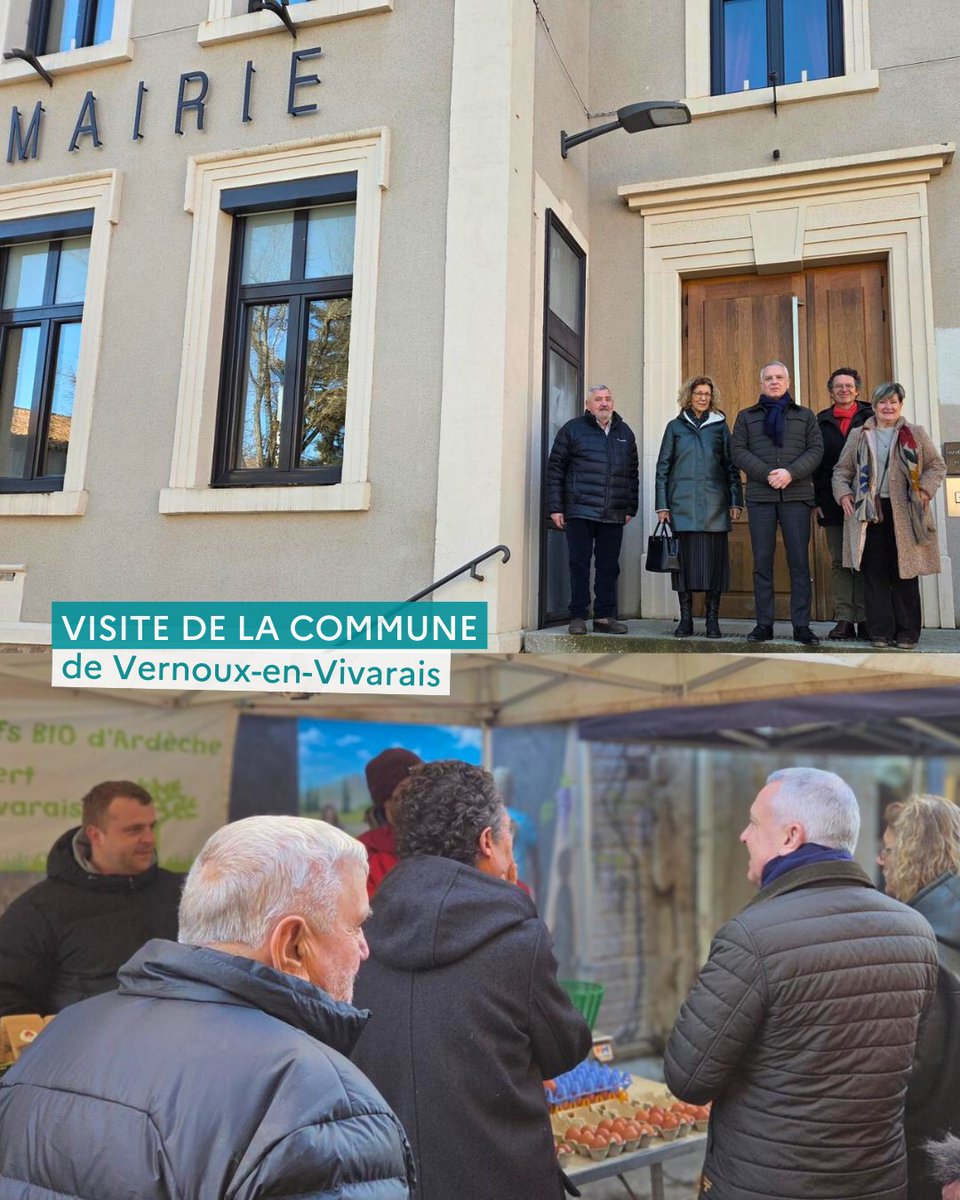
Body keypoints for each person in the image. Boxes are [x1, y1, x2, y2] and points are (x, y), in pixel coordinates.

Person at [0, 816, 415, 1200]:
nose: (364, 948)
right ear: (291, 945)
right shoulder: (314, 1097)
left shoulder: (64, 1033)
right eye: (356, 924)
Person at [664, 767, 939, 1200]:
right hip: (876, 1184)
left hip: (768, 1186)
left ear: (791, 837)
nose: (742, 835)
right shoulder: (917, 932)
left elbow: (688, 1076)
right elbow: (910, 1066)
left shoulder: (752, 937)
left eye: (754, 823)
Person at [351, 759, 592, 1200]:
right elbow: (565, 1048)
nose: (512, 857)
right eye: (508, 841)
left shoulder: (360, 933)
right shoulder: (517, 937)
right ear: (487, 841)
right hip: (502, 1176)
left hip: (394, 1179)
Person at [0, 780, 181, 1017]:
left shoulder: (183, 893)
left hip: (184, 1045)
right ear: (96, 835)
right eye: (134, 830)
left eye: (151, 827)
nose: (149, 839)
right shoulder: (37, 912)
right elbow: (8, 999)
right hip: (87, 1049)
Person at [880, 795, 960, 1200]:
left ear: (912, 855)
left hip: (925, 1155)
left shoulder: (919, 943)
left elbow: (911, 1071)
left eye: (890, 850)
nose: (882, 860)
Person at [833, 381, 946, 649]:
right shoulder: (860, 434)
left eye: (893, 402)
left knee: (905, 573)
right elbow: (842, 471)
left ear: (900, 405)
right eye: (883, 402)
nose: (888, 406)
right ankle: (880, 632)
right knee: (875, 575)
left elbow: (936, 466)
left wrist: (925, 491)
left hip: (905, 514)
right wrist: (844, 494)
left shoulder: (914, 433)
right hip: (871, 514)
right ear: (873, 406)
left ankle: (907, 633)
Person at [731, 361, 824, 645]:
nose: (774, 382)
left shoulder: (805, 415)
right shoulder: (746, 417)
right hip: (761, 498)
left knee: (799, 563)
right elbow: (738, 451)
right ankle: (764, 625)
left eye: (779, 377)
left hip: (796, 497)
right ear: (761, 384)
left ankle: (801, 626)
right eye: (768, 378)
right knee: (762, 563)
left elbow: (816, 449)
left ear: (788, 382)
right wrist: (767, 474)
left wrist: (790, 473)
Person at [546, 384, 639, 635]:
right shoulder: (572, 430)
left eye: (608, 398)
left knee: (609, 566)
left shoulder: (625, 433)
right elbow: (555, 470)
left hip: (613, 512)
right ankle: (578, 616)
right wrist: (556, 507)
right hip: (579, 510)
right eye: (598, 399)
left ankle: (605, 617)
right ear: (588, 405)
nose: (604, 403)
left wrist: (631, 507)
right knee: (579, 564)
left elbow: (632, 474)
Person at [655, 375, 743, 638]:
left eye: (707, 394)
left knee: (715, 567)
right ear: (689, 397)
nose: (702, 398)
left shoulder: (720, 427)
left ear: (711, 397)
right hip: (682, 508)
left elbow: (731, 466)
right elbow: (663, 468)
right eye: (698, 394)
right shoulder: (675, 427)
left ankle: (712, 620)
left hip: (715, 508)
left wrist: (735, 499)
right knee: (683, 567)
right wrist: (662, 505)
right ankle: (685, 620)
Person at [813, 366, 874, 640]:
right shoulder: (820, 421)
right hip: (831, 499)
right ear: (831, 391)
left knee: (864, 559)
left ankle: (865, 618)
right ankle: (844, 619)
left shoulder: (872, 417)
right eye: (838, 386)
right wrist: (816, 500)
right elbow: (815, 463)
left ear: (858, 390)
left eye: (849, 385)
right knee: (839, 560)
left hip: (866, 500)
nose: (844, 390)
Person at [357, 746, 422, 897]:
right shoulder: (363, 854)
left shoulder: (443, 840)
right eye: (407, 789)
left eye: (423, 784)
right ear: (386, 799)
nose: (419, 795)